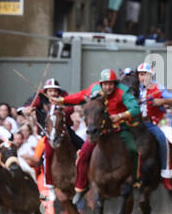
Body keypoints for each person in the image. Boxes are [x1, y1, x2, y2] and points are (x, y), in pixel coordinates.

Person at [50, 69, 140, 204]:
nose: (108, 87)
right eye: (105, 84)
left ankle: (135, 181)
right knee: (83, 155)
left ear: (115, 84)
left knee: (133, 149)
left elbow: (135, 108)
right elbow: (79, 96)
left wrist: (121, 115)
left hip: (119, 128)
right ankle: (80, 188)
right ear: (101, 84)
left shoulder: (123, 91)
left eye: (110, 84)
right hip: (99, 131)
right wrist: (61, 100)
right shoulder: (94, 89)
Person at [137, 62, 172, 190]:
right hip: (136, 124)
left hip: (155, 122)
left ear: (150, 75)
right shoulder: (135, 89)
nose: (142, 77)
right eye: (140, 74)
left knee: (163, 140)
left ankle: (166, 174)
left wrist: (162, 100)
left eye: (144, 74)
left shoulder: (158, 88)